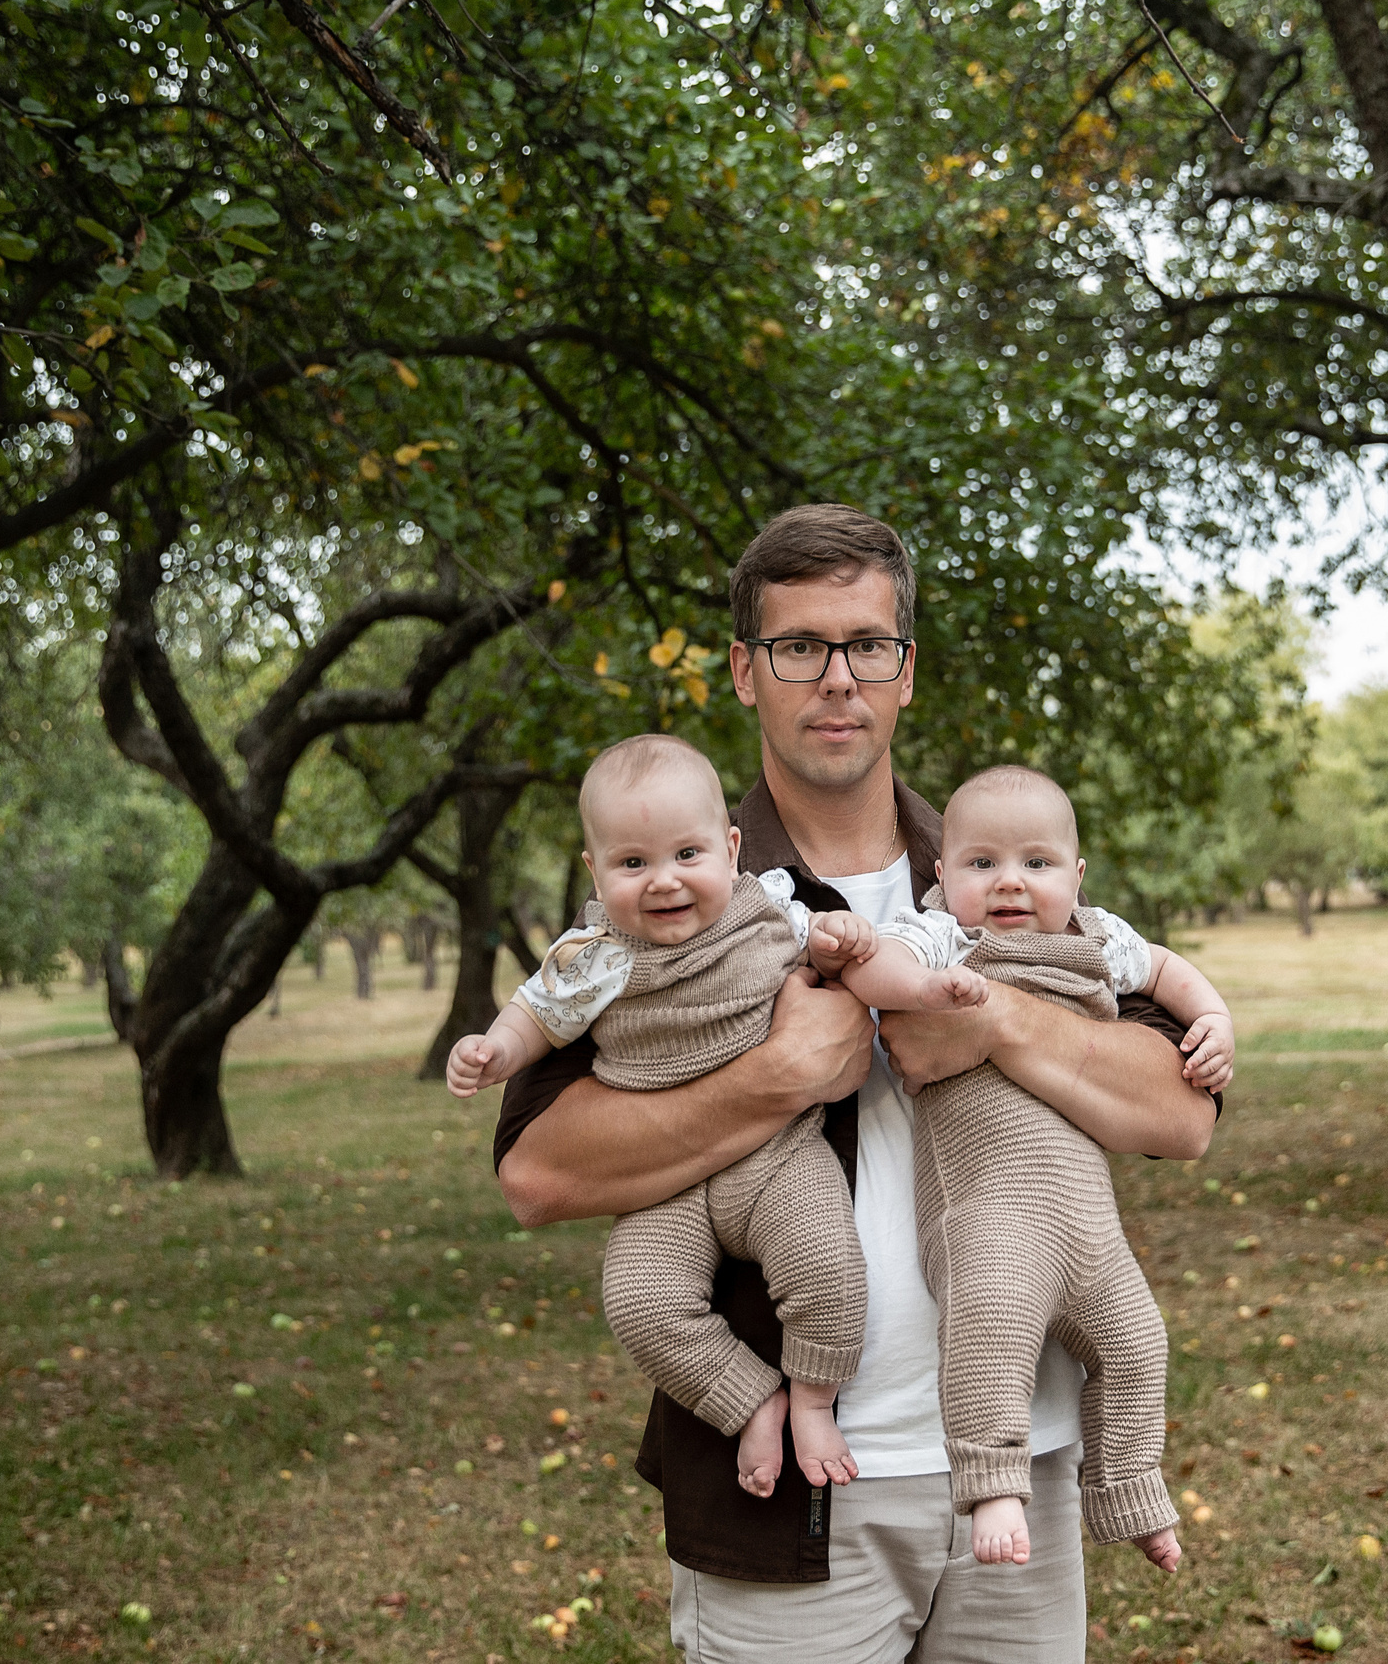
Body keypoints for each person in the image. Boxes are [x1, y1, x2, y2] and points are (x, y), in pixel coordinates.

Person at [494, 504, 1219, 1664]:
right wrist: (776, 1078)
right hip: (794, 1491)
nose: (836, 680)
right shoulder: (671, 884)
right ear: (744, 670)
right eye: (799, 648)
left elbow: (1180, 1112)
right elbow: (534, 1173)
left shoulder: (996, 862)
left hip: (1014, 1469)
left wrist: (998, 1027)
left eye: (866, 646)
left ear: (904, 671)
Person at [446, 733, 890, 1497]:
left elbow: (819, 954)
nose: (664, 882)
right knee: (640, 1302)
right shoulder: (592, 954)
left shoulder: (765, 909)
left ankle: (814, 1398)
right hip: (664, 1186)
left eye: (687, 855)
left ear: (730, 846)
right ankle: (752, 1398)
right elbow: (535, 1015)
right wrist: (494, 1049)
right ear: (595, 870)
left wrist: (836, 939)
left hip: (776, 1157)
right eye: (632, 863)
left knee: (826, 1264)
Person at [834, 764, 1233, 1571]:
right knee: (990, 1331)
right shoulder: (942, 931)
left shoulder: (1094, 936)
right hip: (990, 1216)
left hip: (1086, 1225)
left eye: (1037, 864)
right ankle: (994, 1485)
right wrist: (922, 987)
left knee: (1137, 1343)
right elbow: (870, 968)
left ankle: (1130, 1485)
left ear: (1076, 876)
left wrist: (1215, 1018)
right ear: (943, 875)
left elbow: (1163, 969)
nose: (1009, 882)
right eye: (981, 863)